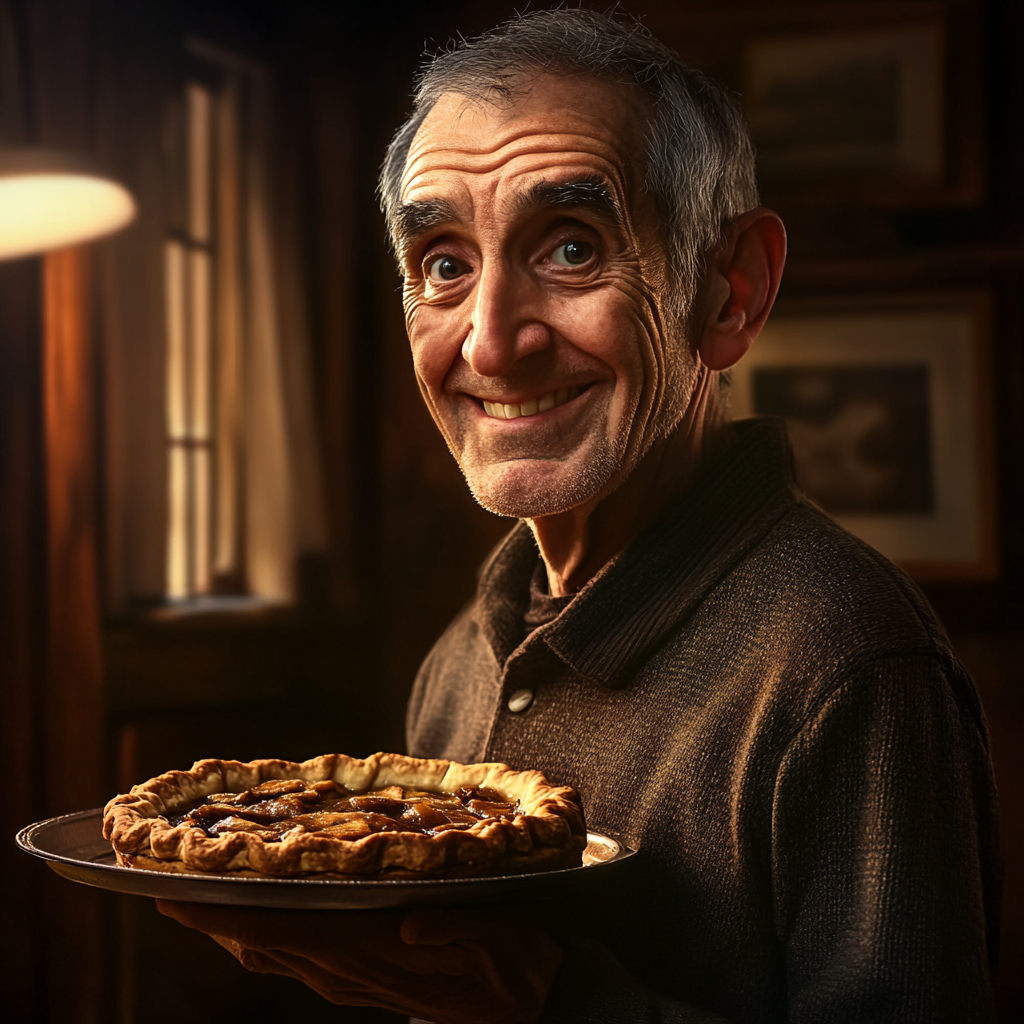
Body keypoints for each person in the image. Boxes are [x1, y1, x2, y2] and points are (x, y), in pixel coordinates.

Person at [160, 10, 1001, 1022]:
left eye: (569, 247)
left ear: (728, 292)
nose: (491, 345)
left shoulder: (848, 663)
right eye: (442, 263)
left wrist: (554, 1002)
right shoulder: (458, 662)